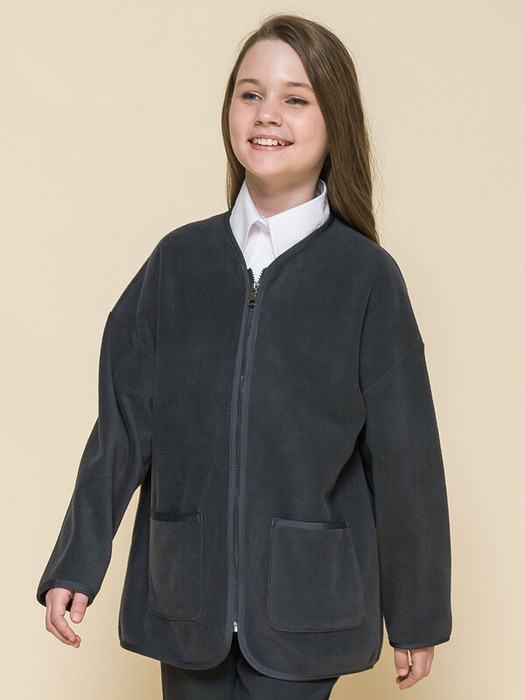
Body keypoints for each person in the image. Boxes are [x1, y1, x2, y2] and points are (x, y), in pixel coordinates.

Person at [37, 13, 452, 699]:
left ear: (335, 121)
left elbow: (406, 459)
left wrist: (417, 614)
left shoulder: (366, 279)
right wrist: (76, 563)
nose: (267, 114)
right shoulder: (177, 263)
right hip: (186, 593)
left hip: (306, 604)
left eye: (296, 98)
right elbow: (123, 425)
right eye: (250, 93)